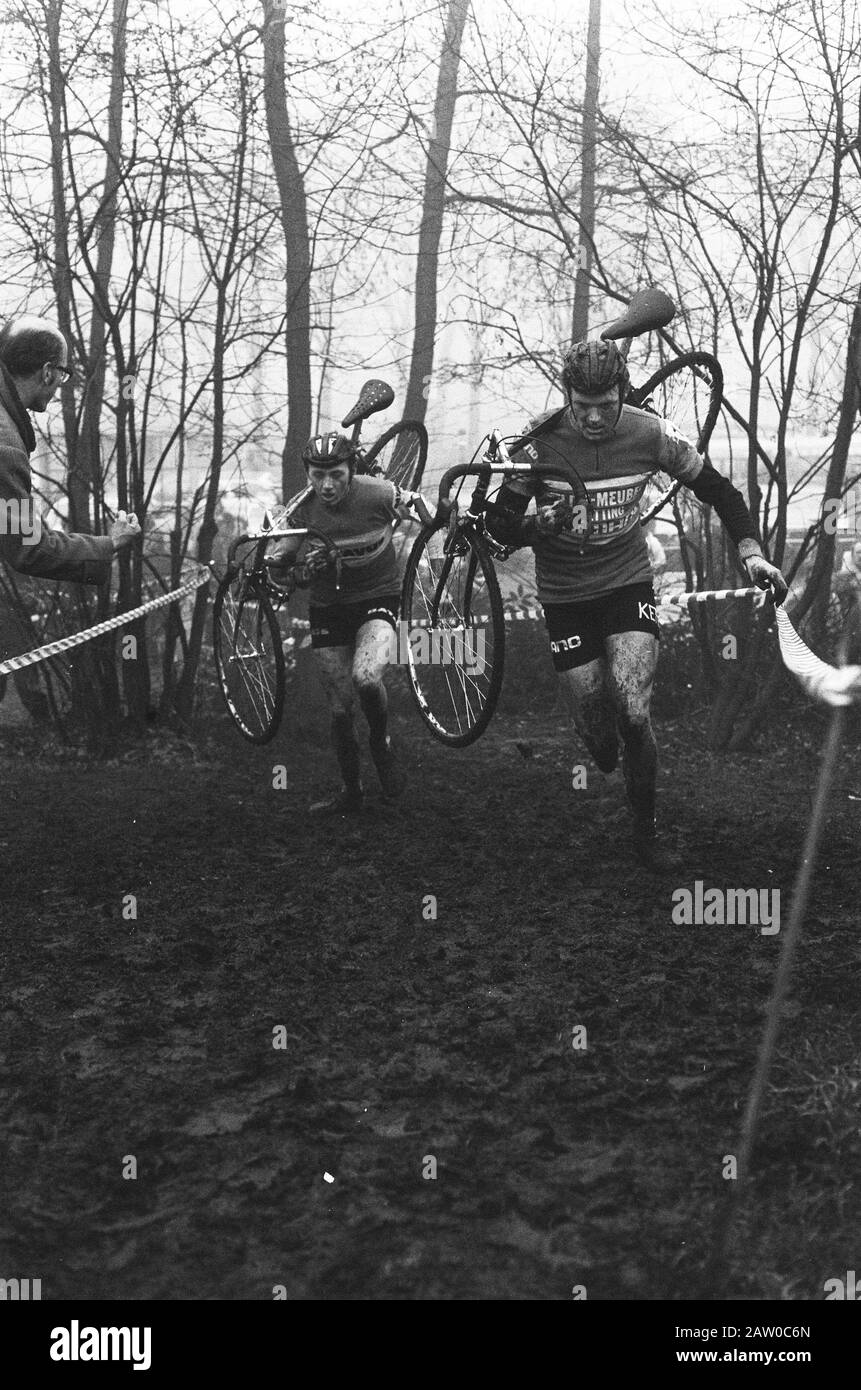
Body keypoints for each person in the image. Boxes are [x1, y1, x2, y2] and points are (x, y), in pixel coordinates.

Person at [485, 337, 788, 870]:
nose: (596, 419)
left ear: (624, 392)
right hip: (564, 595)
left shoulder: (651, 433)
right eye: (583, 408)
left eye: (607, 405)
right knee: (599, 738)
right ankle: (603, 749)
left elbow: (722, 492)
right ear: (566, 397)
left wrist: (753, 555)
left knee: (631, 709)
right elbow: (497, 527)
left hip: (627, 582)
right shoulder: (538, 440)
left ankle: (645, 834)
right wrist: (536, 525)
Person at [270, 432, 412, 815]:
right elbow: (283, 575)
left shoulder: (378, 492)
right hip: (329, 607)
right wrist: (296, 569)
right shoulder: (301, 509)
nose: (327, 485)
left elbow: (428, 515)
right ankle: (352, 791)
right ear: (308, 474)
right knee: (339, 708)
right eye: (318, 475)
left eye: (336, 474)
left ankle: (381, 747)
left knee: (366, 678)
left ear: (352, 470)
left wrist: (439, 514)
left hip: (378, 596)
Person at [0, 315, 140, 584]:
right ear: (48, 372)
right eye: (63, 374)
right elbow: (31, 547)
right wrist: (110, 542)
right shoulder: (6, 449)